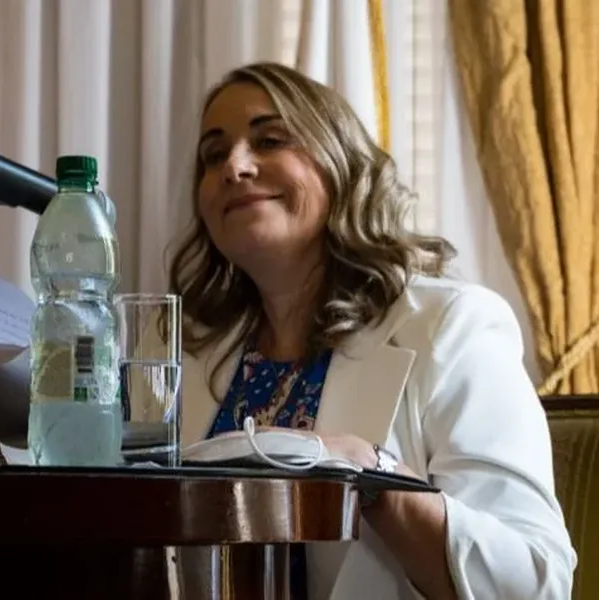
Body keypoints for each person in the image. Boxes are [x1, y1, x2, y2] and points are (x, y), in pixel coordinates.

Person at [170, 62, 575, 599]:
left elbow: (535, 583)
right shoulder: (178, 353)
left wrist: (372, 477)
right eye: (213, 154)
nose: (234, 167)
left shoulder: (452, 327)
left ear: (339, 163)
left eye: (269, 140)